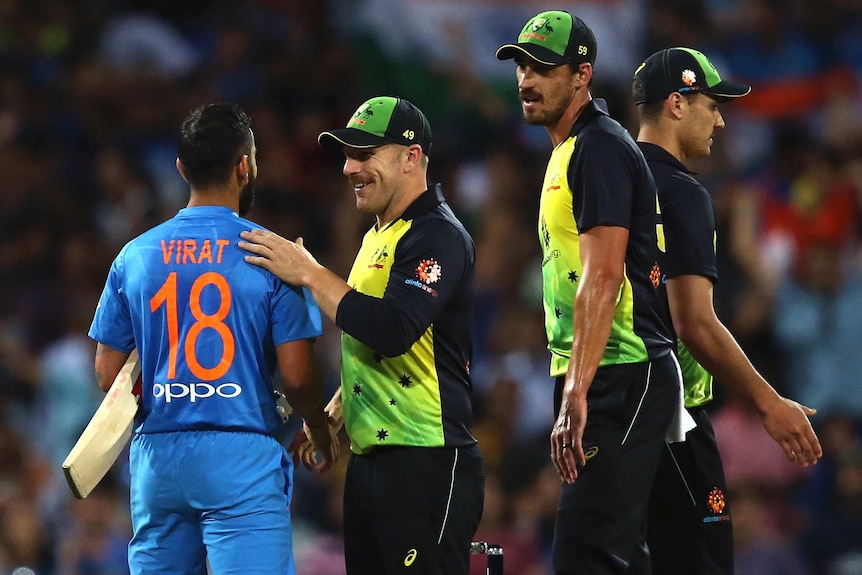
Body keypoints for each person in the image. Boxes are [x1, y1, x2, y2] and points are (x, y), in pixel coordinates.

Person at [88, 101, 337, 574]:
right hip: (240, 456)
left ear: (182, 168)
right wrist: (317, 430)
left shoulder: (134, 256)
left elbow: (107, 375)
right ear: (245, 166)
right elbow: (299, 376)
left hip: (158, 459)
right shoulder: (273, 255)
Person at [239, 96, 485, 574]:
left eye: (365, 154)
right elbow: (369, 341)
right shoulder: (378, 234)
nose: (349, 168)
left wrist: (311, 274)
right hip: (374, 463)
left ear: (411, 158)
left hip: (428, 461)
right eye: (347, 156)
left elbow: (393, 330)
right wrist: (335, 412)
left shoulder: (437, 235)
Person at [496, 11, 691, 574]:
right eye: (521, 66)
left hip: (621, 371)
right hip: (604, 371)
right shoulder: (569, 149)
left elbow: (604, 275)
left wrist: (576, 392)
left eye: (543, 68)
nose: (526, 80)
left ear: (582, 75)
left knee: (588, 554)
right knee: (615, 552)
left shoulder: (599, 148)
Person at [631, 46, 823, 574]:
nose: (719, 119)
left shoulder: (599, 184)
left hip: (608, 411)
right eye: (712, 105)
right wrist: (768, 403)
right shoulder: (683, 193)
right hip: (674, 415)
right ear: (676, 104)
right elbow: (693, 321)